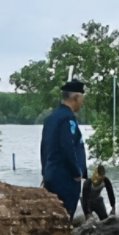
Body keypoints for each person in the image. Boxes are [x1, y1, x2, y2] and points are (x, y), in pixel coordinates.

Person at [40, 79, 88, 219]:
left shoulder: (50, 118)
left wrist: (45, 172)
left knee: (53, 217)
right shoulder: (68, 119)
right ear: (76, 97)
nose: (82, 103)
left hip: (51, 175)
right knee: (65, 216)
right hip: (65, 178)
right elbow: (68, 147)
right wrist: (76, 173)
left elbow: (44, 148)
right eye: (82, 99)